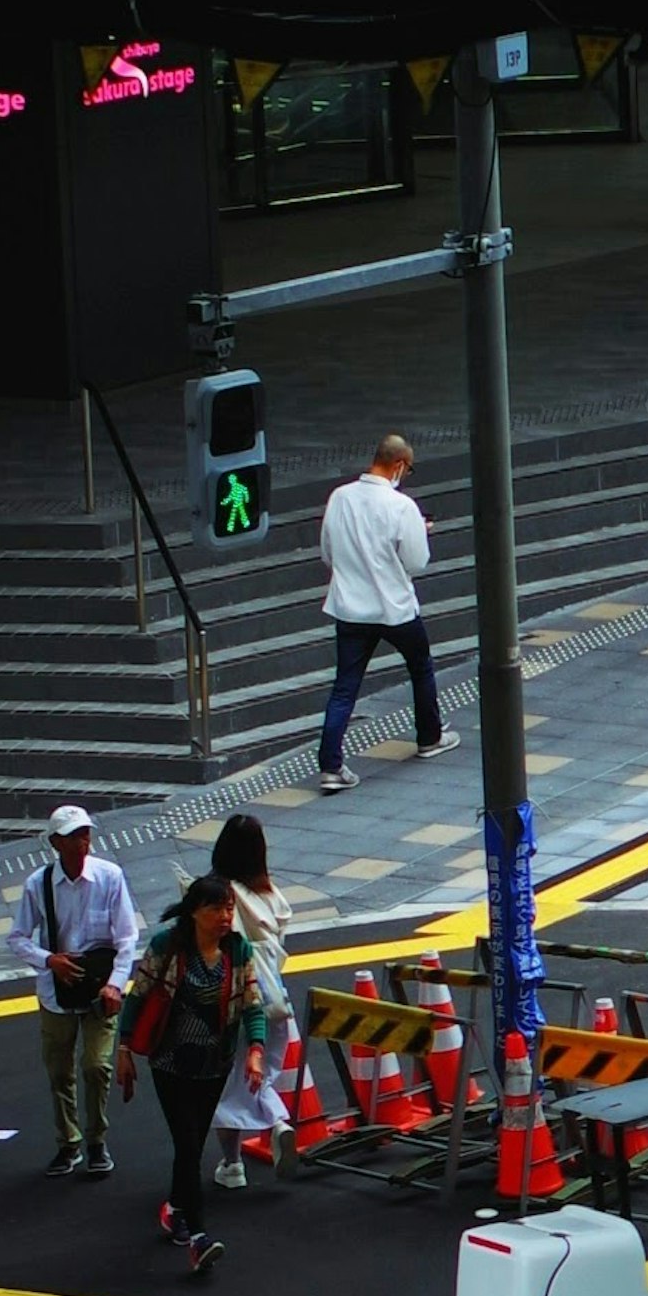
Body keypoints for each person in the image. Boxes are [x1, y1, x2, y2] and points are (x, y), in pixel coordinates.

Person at [113, 869, 262, 1278]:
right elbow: (138, 997)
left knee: (191, 1148)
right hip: (171, 1063)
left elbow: (251, 1003)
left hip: (215, 1064)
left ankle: (175, 1209)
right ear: (196, 912)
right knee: (188, 1140)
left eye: (229, 908)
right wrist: (124, 1048)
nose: (225, 916)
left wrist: (256, 1050)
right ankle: (198, 1237)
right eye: (217, 908)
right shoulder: (169, 946)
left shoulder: (238, 950)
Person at [12, 805, 139, 1177]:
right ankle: (69, 1142)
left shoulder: (110, 877)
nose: (82, 841)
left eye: (85, 833)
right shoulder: (39, 885)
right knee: (59, 1071)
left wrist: (116, 984)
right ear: (55, 843)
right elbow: (17, 937)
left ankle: (96, 1138)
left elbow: (127, 938)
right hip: (57, 991)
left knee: (96, 1066)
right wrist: (49, 960)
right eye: (73, 835)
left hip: (100, 989)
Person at [317, 431, 441, 789]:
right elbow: (416, 561)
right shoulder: (402, 507)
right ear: (400, 465)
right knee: (420, 667)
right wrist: (421, 531)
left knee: (344, 686)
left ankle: (331, 766)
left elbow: (328, 552)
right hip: (394, 608)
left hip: (351, 609)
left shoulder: (339, 498)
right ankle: (429, 736)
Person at [206, 808, 299, 1173]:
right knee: (256, 1076)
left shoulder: (220, 897)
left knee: (225, 1085)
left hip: (232, 1004)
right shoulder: (272, 896)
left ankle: (237, 1160)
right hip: (274, 1002)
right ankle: (269, 1131)